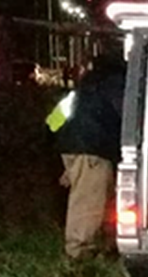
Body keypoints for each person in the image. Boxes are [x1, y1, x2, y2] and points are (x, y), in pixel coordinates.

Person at [51, 53, 126, 260]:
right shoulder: (114, 84)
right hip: (92, 149)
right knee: (88, 202)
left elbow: (53, 121)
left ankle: (100, 246)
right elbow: (125, 117)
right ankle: (79, 253)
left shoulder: (81, 89)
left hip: (69, 147)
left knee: (91, 197)